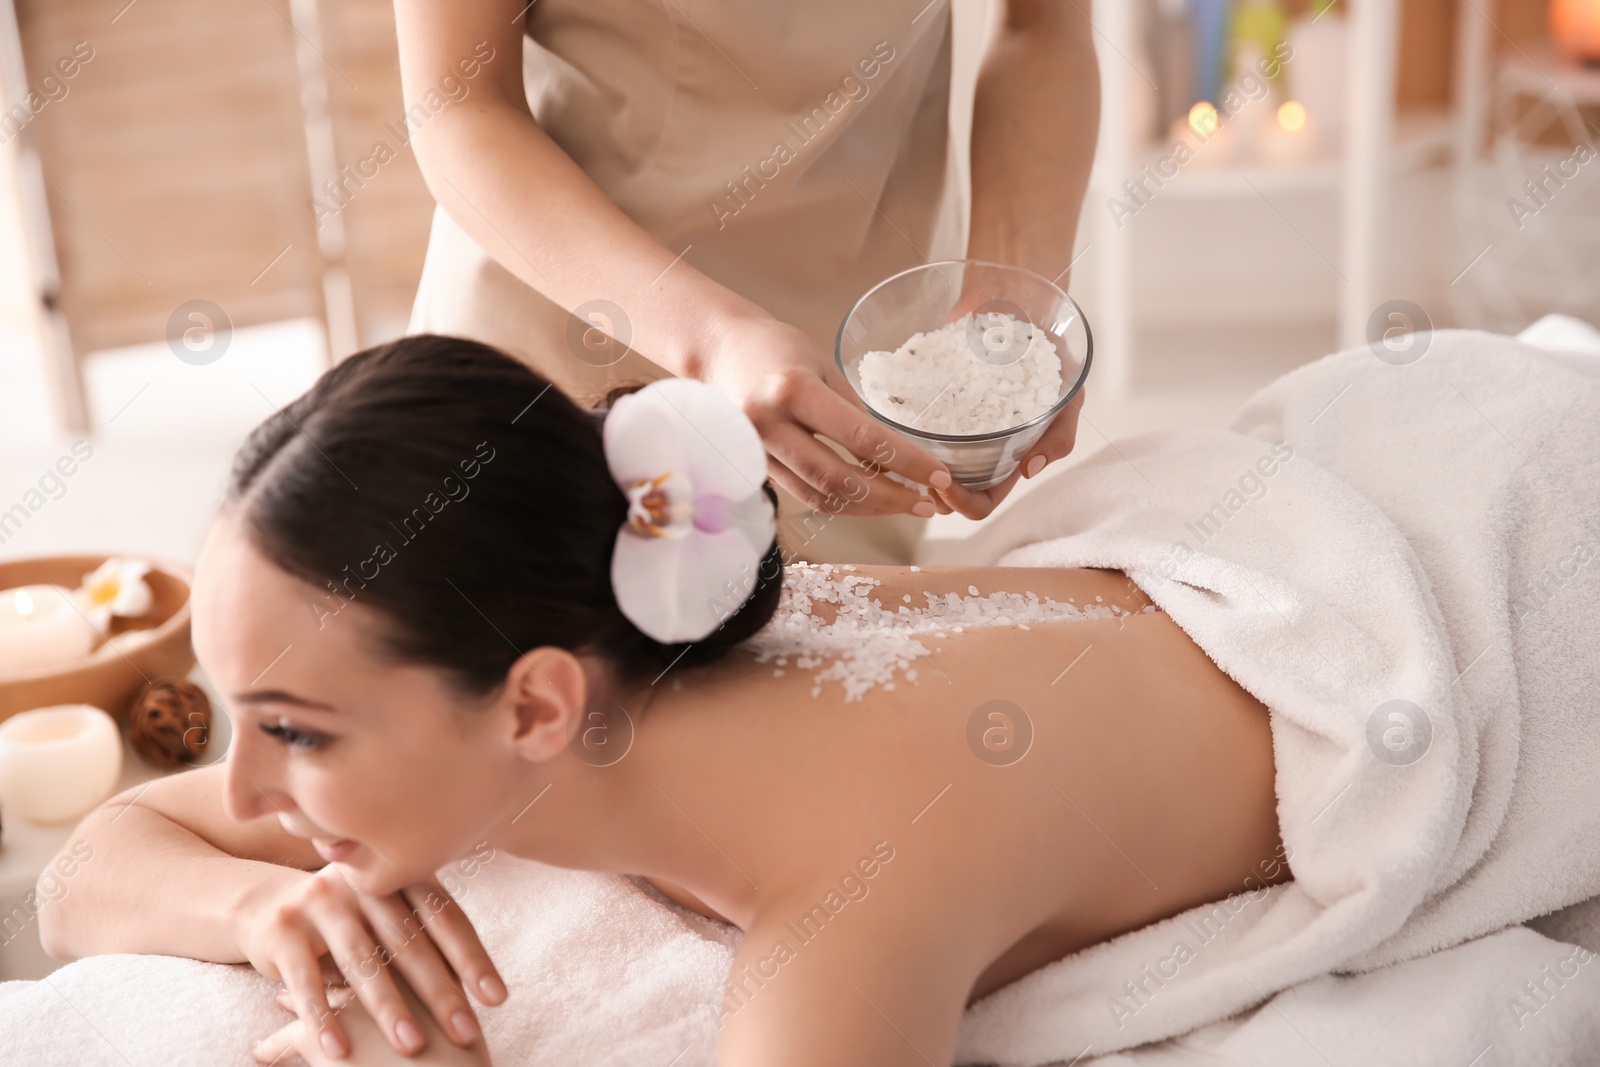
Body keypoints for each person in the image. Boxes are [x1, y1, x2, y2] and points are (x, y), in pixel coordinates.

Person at [39, 337, 1284, 1066]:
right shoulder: (630, 622)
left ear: (533, 705)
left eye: (297, 730)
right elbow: (85, 870)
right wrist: (261, 905)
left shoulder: (846, 897)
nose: (245, 784)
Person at [394, 0, 1100, 567]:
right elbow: (458, 103)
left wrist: (1014, 293)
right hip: (565, 325)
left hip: (846, 365)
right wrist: (712, 341)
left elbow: (1044, 24)